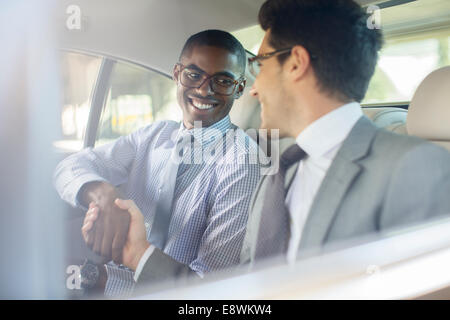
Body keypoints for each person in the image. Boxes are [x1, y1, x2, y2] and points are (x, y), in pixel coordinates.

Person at [240, 0, 450, 266]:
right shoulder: (282, 170)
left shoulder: (416, 168)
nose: (254, 88)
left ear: (295, 63)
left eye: (259, 64)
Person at [54, 30, 262, 297]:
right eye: (193, 75)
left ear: (239, 88)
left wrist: (100, 279)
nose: (203, 89)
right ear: (177, 73)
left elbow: (208, 292)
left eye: (222, 81)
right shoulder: (153, 136)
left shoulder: (244, 162)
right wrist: (102, 193)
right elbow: (69, 166)